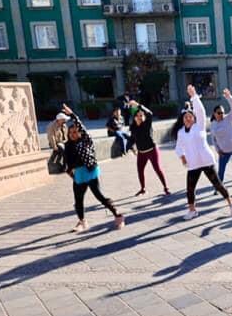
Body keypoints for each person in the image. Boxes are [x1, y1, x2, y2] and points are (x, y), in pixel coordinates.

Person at [175, 85, 232, 220]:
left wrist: (194, 97)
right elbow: (179, 147)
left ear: (194, 118)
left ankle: (231, 204)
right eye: (185, 117)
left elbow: (200, 111)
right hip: (193, 164)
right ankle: (192, 210)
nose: (188, 118)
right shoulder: (181, 133)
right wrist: (182, 157)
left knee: (218, 184)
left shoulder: (199, 126)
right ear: (183, 119)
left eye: (190, 116)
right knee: (190, 188)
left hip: (206, 161)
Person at [60, 104, 124, 233]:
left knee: (99, 196)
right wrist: (71, 173)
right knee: (78, 200)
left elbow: (81, 126)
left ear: (80, 132)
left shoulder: (86, 141)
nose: (72, 134)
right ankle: (82, 221)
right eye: (70, 133)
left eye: (75, 132)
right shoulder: (68, 145)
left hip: (90, 172)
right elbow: (67, 162)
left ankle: (118, 215)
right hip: (78, 175)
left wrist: (72, 114)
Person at [127, 100, 170, 196]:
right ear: (134, 117)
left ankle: (165, 187)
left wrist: (138, 105)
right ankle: (143, 188)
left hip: (152, 150)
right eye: (138, 116)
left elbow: (150, 113)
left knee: (157, 169)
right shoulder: (133, 127)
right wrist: (130, 148)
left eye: (141, 115)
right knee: (140, 170)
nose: (140, 117)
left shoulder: (147, 124)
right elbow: (132, 139)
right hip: (141, 153)